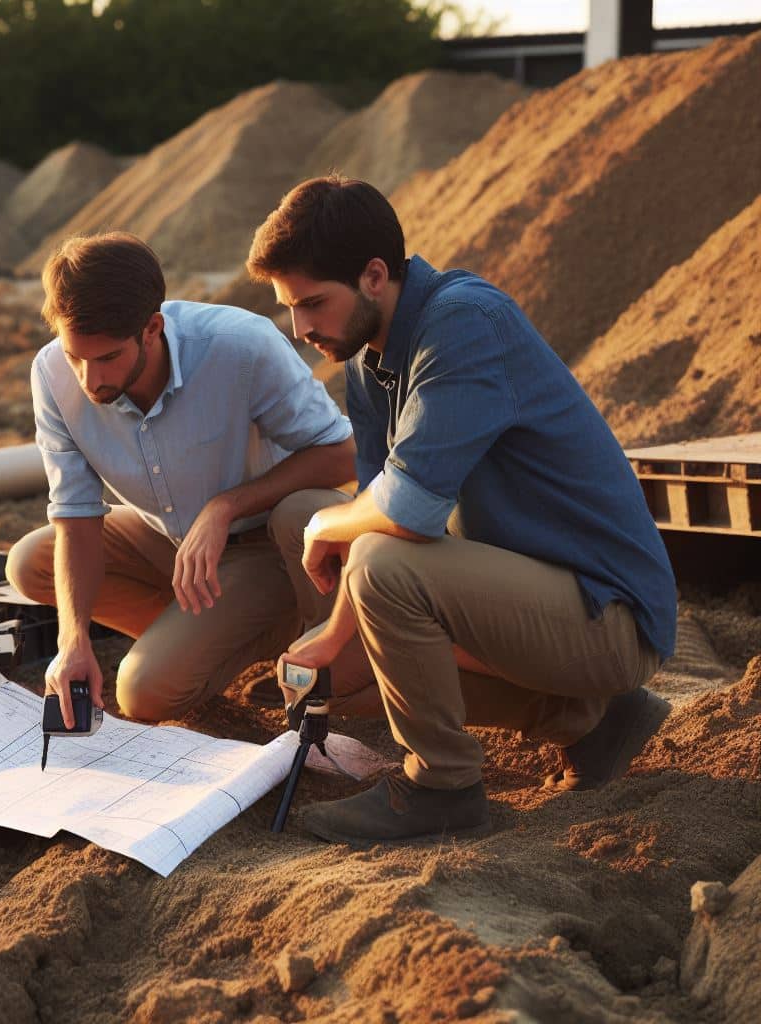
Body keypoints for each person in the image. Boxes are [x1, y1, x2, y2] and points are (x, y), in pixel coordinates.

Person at [245, 175, 677, 845]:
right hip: (529, 594)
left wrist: (324, 523)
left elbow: (404, 515)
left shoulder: (465, 321)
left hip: (609, 615)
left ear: (374, 275)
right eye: (290, 310)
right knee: (347, 679)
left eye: (311, 304)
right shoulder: (368, 363)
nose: (301, 329)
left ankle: (441, 788)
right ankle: (593, 722)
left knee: (382, 564)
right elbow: (377, 508)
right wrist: (330, 637)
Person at [5, 231, 355, 728]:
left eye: (107, 358)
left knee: (142, 693)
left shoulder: (240, 348)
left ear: (151, 328)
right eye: (75, 356)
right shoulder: (51, 373)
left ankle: (273, 630)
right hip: (170, 539)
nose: (89, 379)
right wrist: (71, 641)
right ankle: (207, 639)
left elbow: (344, 456)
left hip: (266, 548)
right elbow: (75, 513)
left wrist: (227, 506)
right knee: (30, 564)